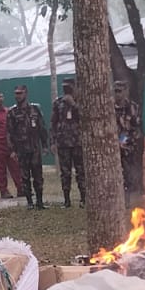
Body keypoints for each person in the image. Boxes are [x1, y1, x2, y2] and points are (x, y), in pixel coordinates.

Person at [7, 84, 50, 209]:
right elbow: (9, 132)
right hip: (21, 150)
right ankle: (30, 202)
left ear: (26, 93)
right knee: (24, 177)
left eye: (20, 93)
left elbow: (42, 128)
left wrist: (45, 145)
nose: (17, 96)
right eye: (16, 93)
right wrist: (12, 150)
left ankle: (40, 202)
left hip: (35, 149)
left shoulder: (35, 109)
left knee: (38, 176)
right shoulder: (12, 112)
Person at [51, 78, 85, 207]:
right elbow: (53, 123)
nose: (67, 90)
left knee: (81, 171)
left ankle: (83, 198)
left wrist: (74, 104)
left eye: (69, 88)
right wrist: (53, 141)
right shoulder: (58, 103)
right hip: (63, 143)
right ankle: (67, 200)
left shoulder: (81, 102)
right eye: (65, 88)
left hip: (78, 143)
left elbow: (85, 116)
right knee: (65, 173)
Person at [114, 81, 143, 195]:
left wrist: (124, 140)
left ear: (126, 92)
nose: (117, 94)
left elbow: (136, 129)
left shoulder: (132, 107)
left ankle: (126, 199)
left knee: (128, 176)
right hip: (112, 148)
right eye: (115, 91)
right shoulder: (109, 108)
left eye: (120, 91)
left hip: (127, 148)